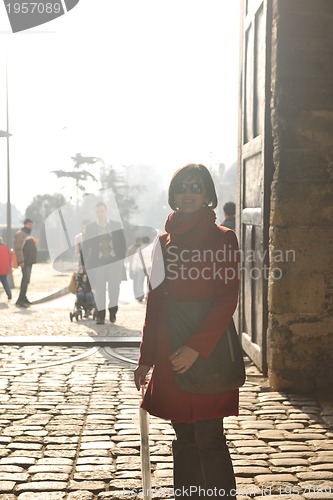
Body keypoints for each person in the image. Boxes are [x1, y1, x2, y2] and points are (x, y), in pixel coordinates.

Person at [134, 164, 240, 499]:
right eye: (182, 186)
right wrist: (145, 359)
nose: (189, 193)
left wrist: (196, 347)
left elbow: (227, 298)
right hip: (170, 348)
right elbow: (155, 301)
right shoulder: (163, 243)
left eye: (196, 187)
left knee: (209, 438)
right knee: (183, 439)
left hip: (209, 348)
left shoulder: (224, 238)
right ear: (173, 194)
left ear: (208, 194)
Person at [82, 201, 126, 325]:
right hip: (98, 263)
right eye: (97, 212)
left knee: (114, 289)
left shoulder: (116, 225)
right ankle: (100, 316)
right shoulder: (91, 228)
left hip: (114, 263)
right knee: (99, 289)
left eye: (101, 211)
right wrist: (84, 264)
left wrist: (120, 261)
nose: (99, 214)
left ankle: (113, 311)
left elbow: (122, 244)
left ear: (106, 211)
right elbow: (85, 247)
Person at [13, 218, 37, 308]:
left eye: (31, 224)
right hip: (25, 261)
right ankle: (20, 299)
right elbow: (18, 249)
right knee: (25, 279)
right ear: (25, 224)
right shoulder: (21, 234)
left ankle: (23, 297)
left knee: (27, 280)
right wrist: (21, 260)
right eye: (29, 224)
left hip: (29, 261)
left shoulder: (28, 234)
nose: (31, 226)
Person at [130, 236, 152, 302]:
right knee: (149, 283)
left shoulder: (139, 249)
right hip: (150, 268)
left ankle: (140, 295)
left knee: (140, 282)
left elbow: (135, 260)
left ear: (142, 241)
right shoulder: (152, 248)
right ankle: (149, 295)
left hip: (140, 268)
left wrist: (134, 269)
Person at [0, 237, 12, 301]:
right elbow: (10, 257)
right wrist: (9, 265)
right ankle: (9, 293)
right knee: (5, 282)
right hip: (4, 268)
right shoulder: (6, 247)